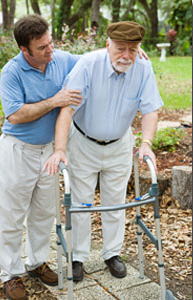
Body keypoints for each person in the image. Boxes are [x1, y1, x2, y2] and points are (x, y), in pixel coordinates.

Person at [43, 21, 163, 282]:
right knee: (81, 202)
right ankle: (78, 257)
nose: (126, 56)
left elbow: (151, 109)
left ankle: (112, 253)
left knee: (115, 202)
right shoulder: (88, 65)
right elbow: (67, 110)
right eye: (121, 48)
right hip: (84, 143)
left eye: (133, 50)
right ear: (107, 45)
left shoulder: (143, 67)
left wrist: (146, 143)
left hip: (119, 144)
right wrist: (60, 149)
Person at [0, 14, 83, 300]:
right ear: (25, 50)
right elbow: (16, 115)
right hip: (18, 150)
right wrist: (55, 101)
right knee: (11, 215)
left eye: (50, 43)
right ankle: (10, 274)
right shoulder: (11, 72)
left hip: (49, 151)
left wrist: (126, 49)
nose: (50, 51)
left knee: (44, 214)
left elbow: (92, 60)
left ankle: (35, 263)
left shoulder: (60, 59)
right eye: (42, 48)